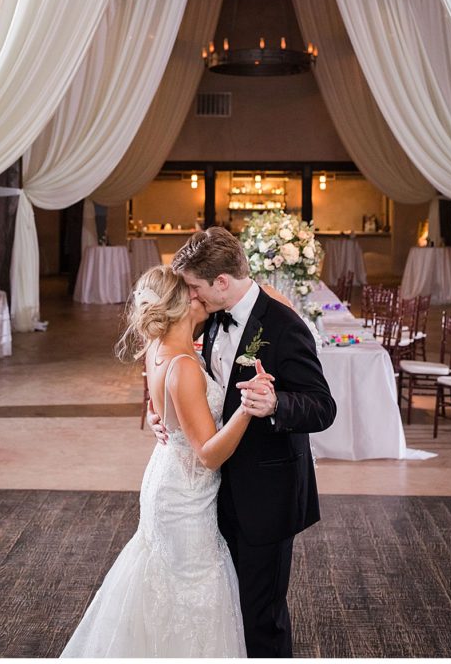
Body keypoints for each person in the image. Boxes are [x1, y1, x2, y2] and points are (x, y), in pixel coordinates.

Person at [61, 264, 270, 657]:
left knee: (165, 583)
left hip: (168, 475)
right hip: (185, 495)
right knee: (192, 589)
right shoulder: (185, 367)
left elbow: (169, 412)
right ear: (182, 304)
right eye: (192, 291)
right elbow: (208, 455)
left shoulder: (158, 350)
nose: (201, 295)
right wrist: (247, 407)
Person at [149, 226, 337, 658]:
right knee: (223, 610)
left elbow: (323, 407)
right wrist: (159, 413)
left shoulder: (285, 324)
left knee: (260, 616)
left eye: (194, 288)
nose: (189, 298)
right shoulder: (212, 314)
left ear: (221, 282)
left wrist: (276, 404)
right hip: (212, 493)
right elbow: (184, 378)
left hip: (267, 497)